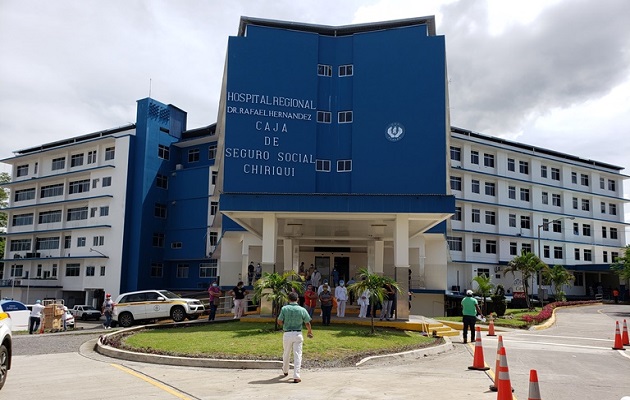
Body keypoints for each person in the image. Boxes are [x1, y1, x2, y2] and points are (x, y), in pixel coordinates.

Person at [277, 291, 313, 383]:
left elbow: (279, 321)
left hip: (287, 333)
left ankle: (285, 370)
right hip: (298, 334)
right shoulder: (302, 309)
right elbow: (307, 323)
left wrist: (285, 324)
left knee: (286, 352)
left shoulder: (284, 308)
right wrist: (309, 332)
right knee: (298, 355)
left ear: (288, 299)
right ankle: (296, 375)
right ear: (297, 299)